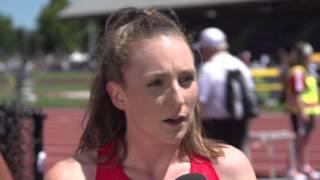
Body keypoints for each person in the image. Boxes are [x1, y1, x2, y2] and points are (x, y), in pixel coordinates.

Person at [44, 7, 256, 180]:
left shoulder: (231, 170)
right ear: (118, 95)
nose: (179, 98)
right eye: (156, 82)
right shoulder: (72, 176)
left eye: (186, 79)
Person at [196, 27, 257, 150]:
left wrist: (195, 129)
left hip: (213, 127)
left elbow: (200, 102)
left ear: (207, 48)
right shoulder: (241, 66)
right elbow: (250, 97)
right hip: (240, 123)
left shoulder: (208, 68)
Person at [285, 41, 320, 179]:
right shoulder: (298, 71)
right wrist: (302, 111)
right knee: (298, 140)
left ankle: (305, 166)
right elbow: (296, 93)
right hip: (302, 111)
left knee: (305, 140)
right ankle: (291, 168)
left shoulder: (307, 70)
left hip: (311, 110)